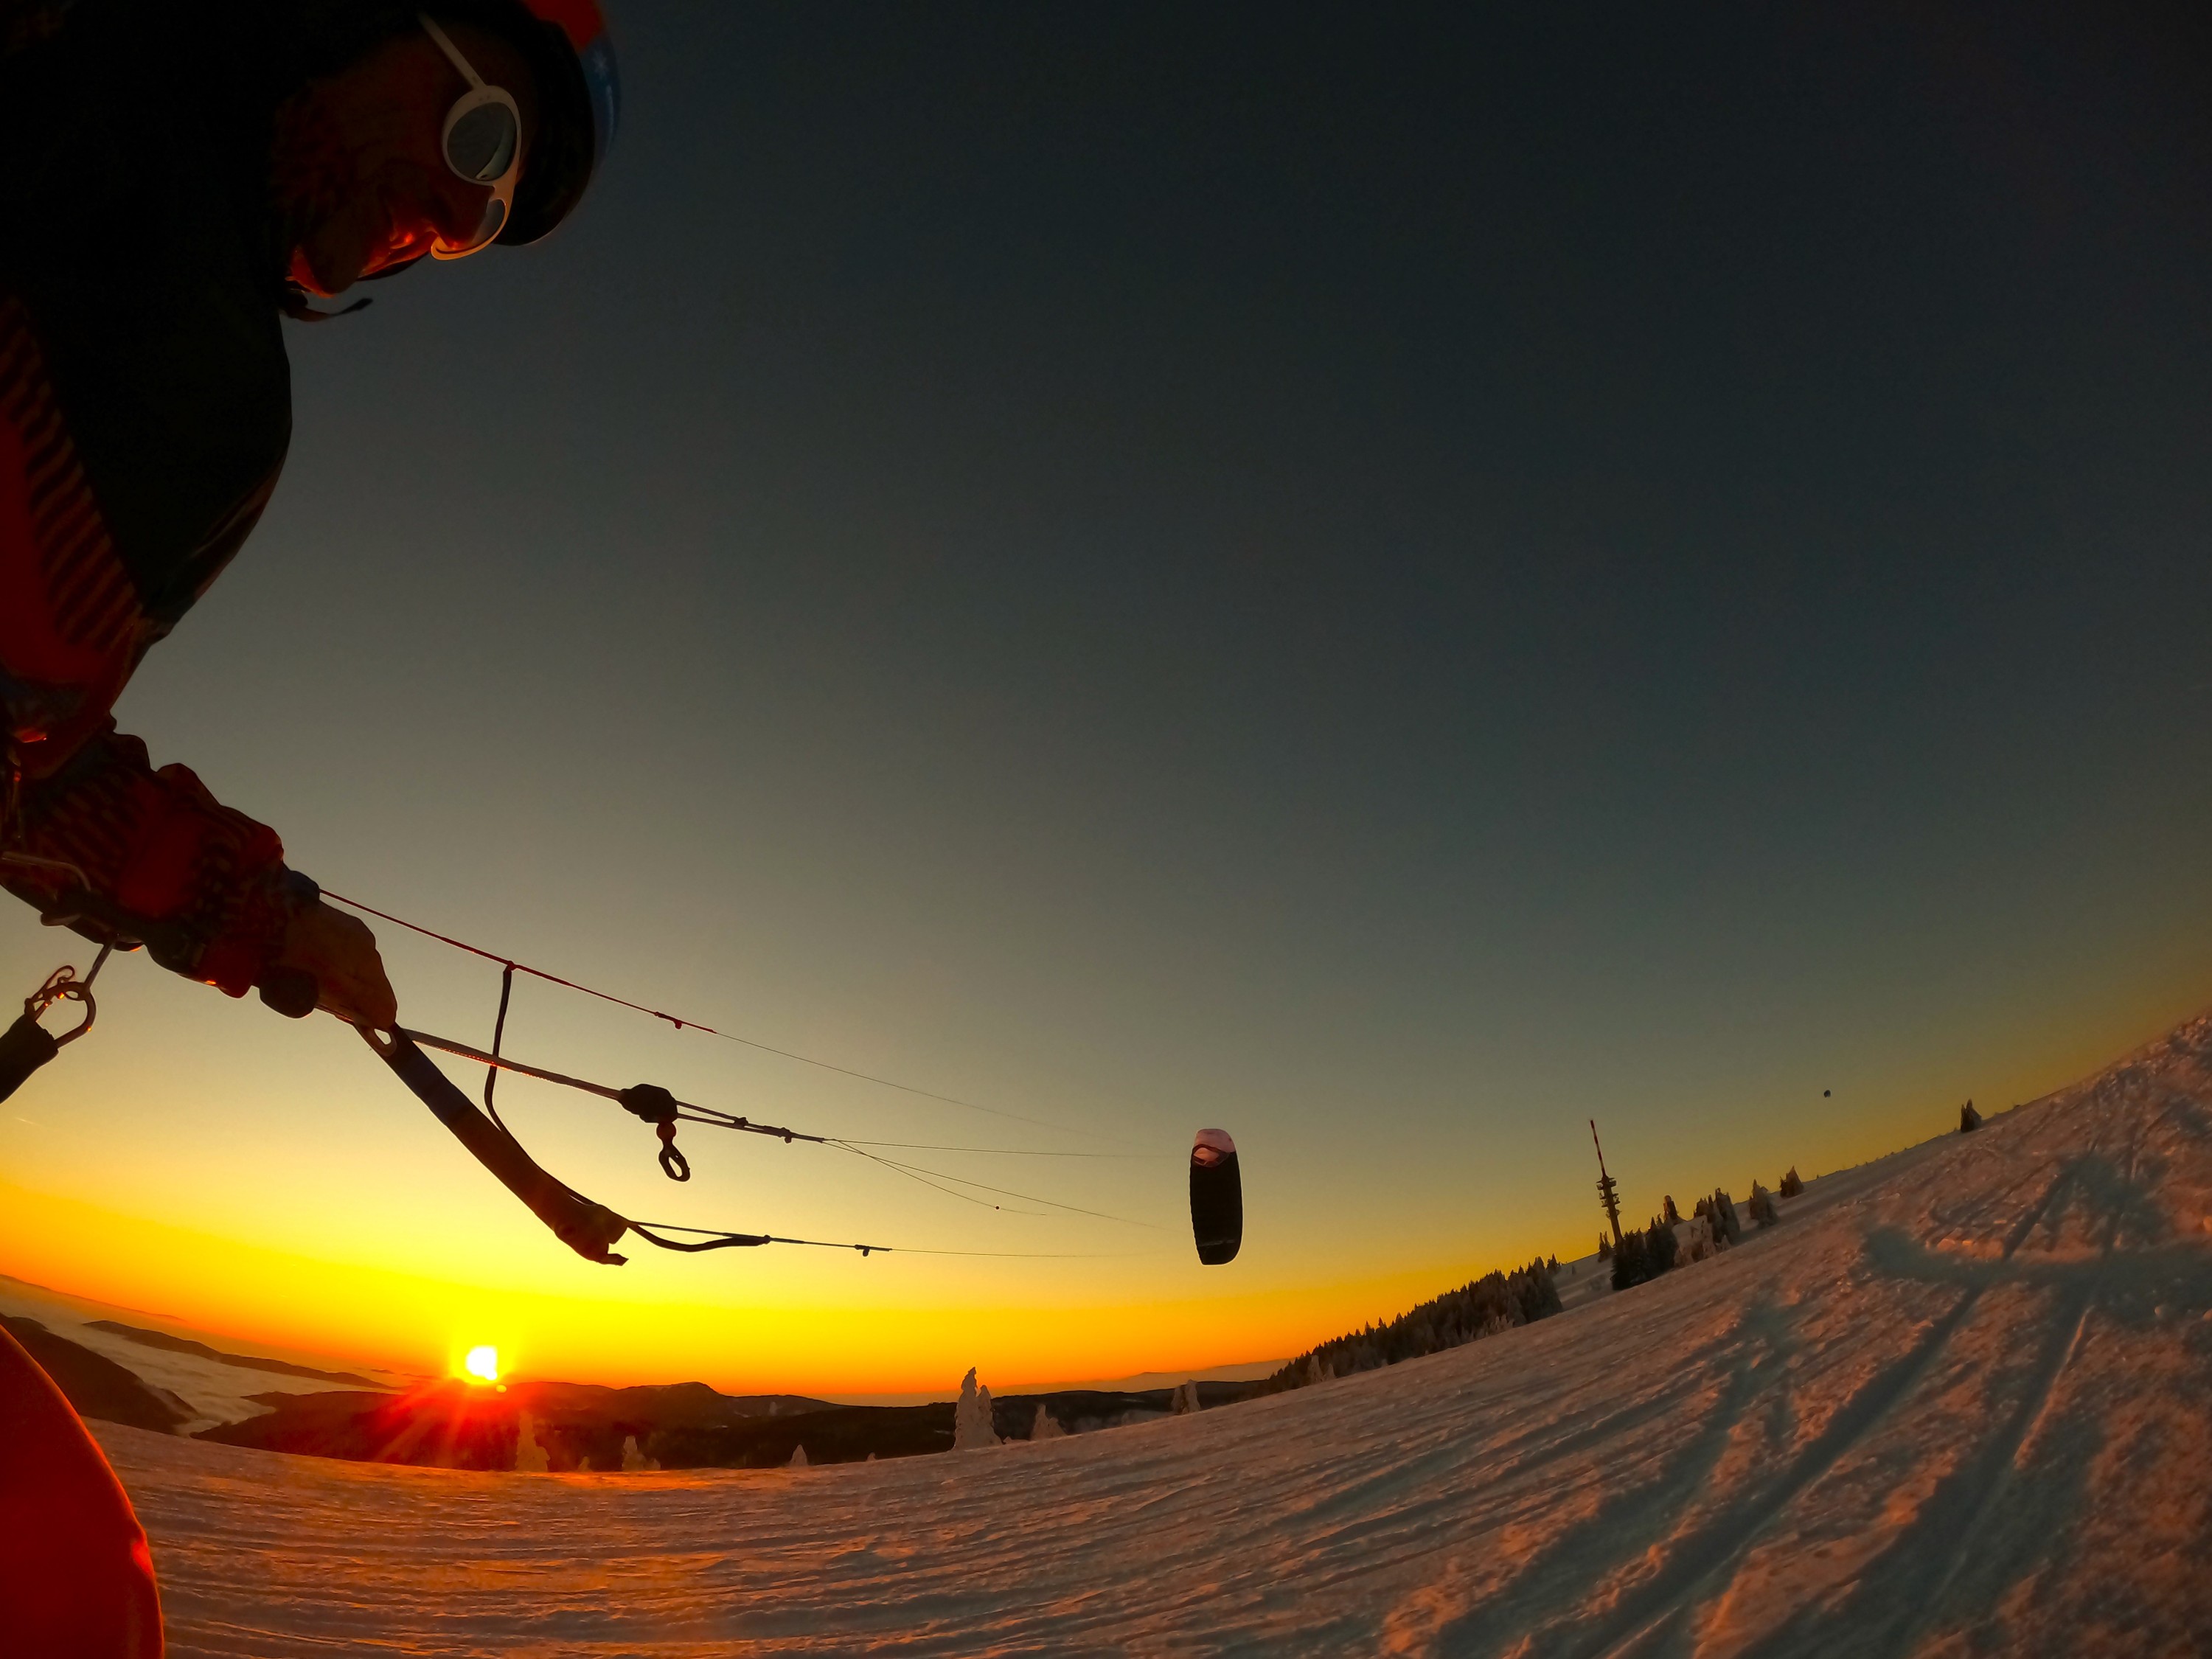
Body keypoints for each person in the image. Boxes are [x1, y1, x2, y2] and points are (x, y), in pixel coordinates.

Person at [0, 1, 618, 1649]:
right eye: (474, 133)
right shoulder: (106, 150)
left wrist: (266, 921)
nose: (438, 205)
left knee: (77, 1592)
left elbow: (29, 772)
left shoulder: (208, 377)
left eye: (477, 219)